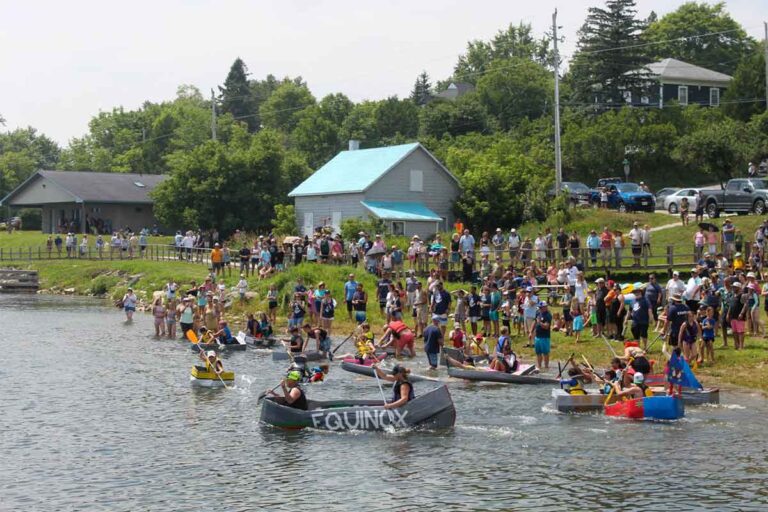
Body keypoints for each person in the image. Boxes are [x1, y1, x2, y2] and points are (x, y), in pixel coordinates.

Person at [530, 301, 552, 370]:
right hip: (537, 336)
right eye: (540, 307)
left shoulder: (548, 315)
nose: (540, 309)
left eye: (541, 307)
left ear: (545, 307)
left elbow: (546, 326)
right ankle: (539, 366)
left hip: (544, 337)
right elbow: (534, 322)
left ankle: (546, 366)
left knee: (545, 353)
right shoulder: (538, 313)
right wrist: (531, 332)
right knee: (538, 352)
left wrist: (540, 323)